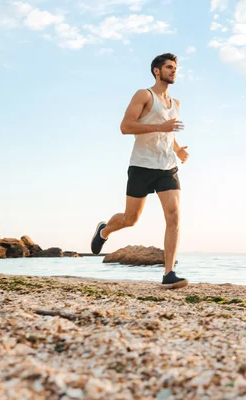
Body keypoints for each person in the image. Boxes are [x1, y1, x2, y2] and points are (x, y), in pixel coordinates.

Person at [90, 53, 189, 290]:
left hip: (167, 167)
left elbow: (169, 132)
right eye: (169, 67)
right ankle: (104, 231)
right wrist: (160, 126)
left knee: (174, 216)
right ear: (157, 71)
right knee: (130, 219)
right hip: (142, 165)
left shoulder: (176, 104)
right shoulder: (144, 95)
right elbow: (126, 127)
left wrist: (177, 150)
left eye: (175, 67)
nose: (173, 71)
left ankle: (169, 273)